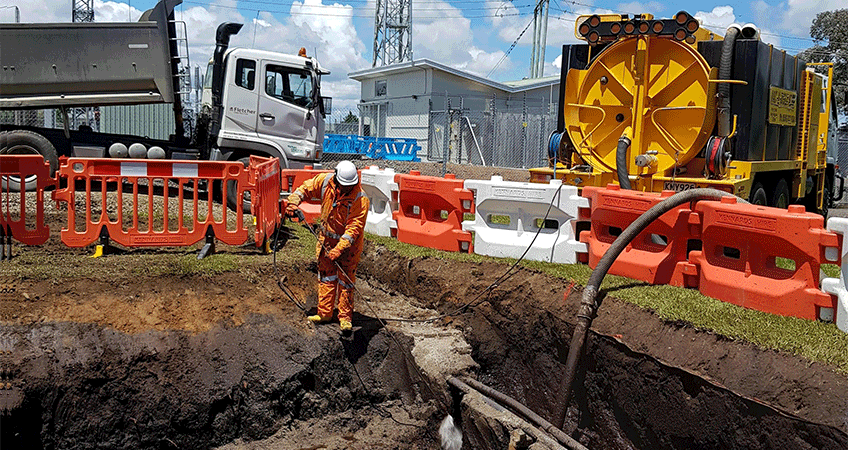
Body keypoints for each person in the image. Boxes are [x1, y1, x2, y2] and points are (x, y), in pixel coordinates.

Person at [285, 161, 369, 331]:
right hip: (326, 242)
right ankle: (325, 313)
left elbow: (353, 229)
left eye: (349, 186)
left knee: (346, 281)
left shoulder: (360, 199)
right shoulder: (325, 182)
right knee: (327, 277)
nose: (346, 189)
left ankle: (345, 318)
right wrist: (293, 202)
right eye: (344, 185)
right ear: (336, 178)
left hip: (349, 248)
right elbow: (305, 188)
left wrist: (339, 249)